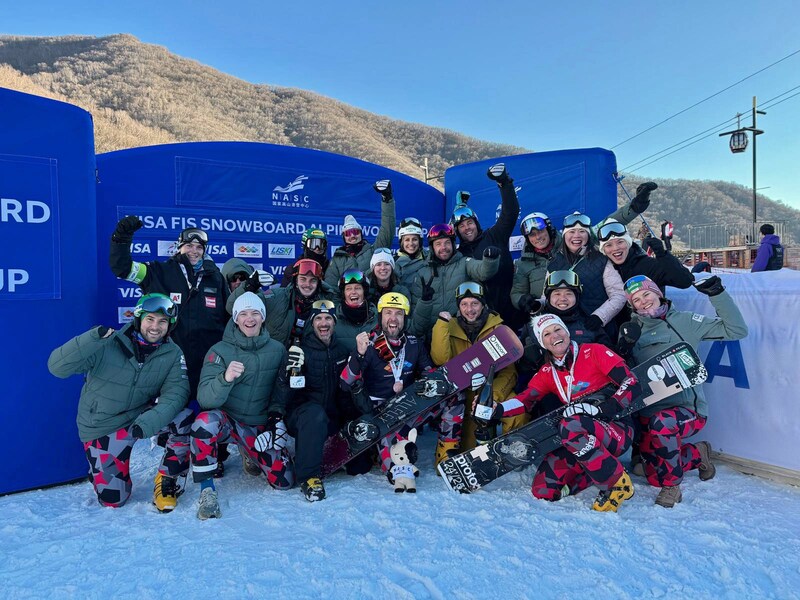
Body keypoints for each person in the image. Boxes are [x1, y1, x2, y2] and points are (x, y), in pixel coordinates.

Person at [47, 294, 193, 511]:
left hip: (137, 419)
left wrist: (148, 423)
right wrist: (92, 338)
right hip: (102, 427)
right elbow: (57, 367)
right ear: (138, 318)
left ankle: (167, 480)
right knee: (114, 499)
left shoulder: (172, 352)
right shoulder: (106, 343)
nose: (155, 327)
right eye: (150, 319)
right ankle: (99, 468)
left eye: (162, 322)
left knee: (184, 418)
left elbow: (176, 394)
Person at [484, 313, 640, 512]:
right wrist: (497, 410)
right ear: (543, 343)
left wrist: (609, 407)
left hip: (615, 429)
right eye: (547, 334)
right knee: (544, 490)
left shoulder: (594, 351)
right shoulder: (548, 372)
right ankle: (597, 469)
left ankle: (617, 484)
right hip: (580, 436)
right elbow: (525, 400)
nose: (554, 335)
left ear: (566, 332)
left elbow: (632, 382)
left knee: (570, 424)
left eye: (557, 329)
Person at [622, 274, 748, 507]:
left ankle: (672, 488)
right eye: (636, 300)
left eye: (646, 294)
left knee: (663, 425)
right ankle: (699, 454)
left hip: (688, 410)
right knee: (651, 475)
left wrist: (717, 294)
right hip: (649, 415)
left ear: (658, 294)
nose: (643, 301)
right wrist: (624, 351)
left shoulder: (686, 321)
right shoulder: (630, 330)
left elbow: (736, 330)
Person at [191, 292, 290, 520]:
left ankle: (249, 451)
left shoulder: (277, 350)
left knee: (285, 481)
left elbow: (281, 392)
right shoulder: (219, 351)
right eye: (243, 313)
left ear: (263, 317)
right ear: (235, 319)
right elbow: (205, 400)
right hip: (228, 421)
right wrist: (224, 379)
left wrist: (276, 422)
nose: (250, 318)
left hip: (257, 426)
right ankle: (207, 490)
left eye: (256, 313)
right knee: (204, 423)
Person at [109, 218, 229, 405]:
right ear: (179, 247)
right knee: (171, 418)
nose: (194, 251)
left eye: (199, 247)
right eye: (189, 245)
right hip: (170, 363)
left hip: (207, 364)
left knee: (204, 422)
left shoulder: (216, 278)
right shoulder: (159, 271)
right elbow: (122, 268)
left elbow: (228, 315)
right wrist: (122, 238)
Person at [340, 293, 455, 484]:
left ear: (405, 318)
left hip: (409, 406)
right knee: (400, 474)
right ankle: (385, 455)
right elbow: (345, 383)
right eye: (388, 313)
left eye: (399, 314)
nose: (393, 319)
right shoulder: (369, 343)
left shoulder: (413, 343)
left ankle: (446, 452)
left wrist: (433, 382)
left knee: (451, 394)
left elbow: (428, 372)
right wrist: (359, 354)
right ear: (380, 316)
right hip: (381, 415)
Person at [511, 182, 657, 316]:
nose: (538, 237)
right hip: (554, 318)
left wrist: (635, 207)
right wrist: (525, 301)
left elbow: (609, 223)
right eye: (532, 235)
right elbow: (519, 293)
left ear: (549, 230)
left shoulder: (572, 243)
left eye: (541, 232)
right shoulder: (525, 263)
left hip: (592, 316)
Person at [262, 299, 351, 502]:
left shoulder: (342, 351)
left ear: (335, 322)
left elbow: (346, 391)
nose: (323, 323)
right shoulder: (300, 350)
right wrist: (276, 411)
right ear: (312, 323)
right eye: (318, 318)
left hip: (330, 415)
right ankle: (309, 476)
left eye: (328, 318)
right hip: (303, 416)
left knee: (358, 466)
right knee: (314, 414)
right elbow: (282, 388)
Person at [430, 282, 519, 453]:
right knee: (470, 450)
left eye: (475, 304)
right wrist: (441, 325)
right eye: (464, 304)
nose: (469, 309)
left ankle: (515, 452)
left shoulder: (497, 329)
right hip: (464, 395)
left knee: (517, 413)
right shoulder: (448, 326)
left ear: (483, 305)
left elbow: (510, 371)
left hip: (493, 390)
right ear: (459, 307)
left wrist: (492, 396)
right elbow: (441, 360)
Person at [451, 163, 520, 325]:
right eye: (461, 226)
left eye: (469, 223)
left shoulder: (495, 235)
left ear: (476, 223)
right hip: (483, 319)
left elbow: (510, 212)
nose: (467, 228)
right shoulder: (459, 254)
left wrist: (504, 182)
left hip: (512, 311)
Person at [410, 223, 500, 337]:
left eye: (447, 243)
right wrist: (424, 301)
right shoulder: (422, 273)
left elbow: (482, 271)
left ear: (453, 244)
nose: (443, 247)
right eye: (438, 244)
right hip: (432, 336)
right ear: (432, 248)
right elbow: (417, 321)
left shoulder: (464, 263)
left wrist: (490, 260)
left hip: (461, 334)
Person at [227, 258, 337, 349]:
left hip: (310, 363)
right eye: (303, 279)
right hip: (275, 362)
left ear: (318, 283)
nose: (307, 284)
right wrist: (248, 287)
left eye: (312, 280)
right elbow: (231, 307)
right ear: (295, 281)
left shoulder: (328, 302)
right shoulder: (275, 297)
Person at [547, 212, 626, 336]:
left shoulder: (601, 259)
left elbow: (619, 294)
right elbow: (546, 295)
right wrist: (536, 303)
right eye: (572, 232)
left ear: (588, 235)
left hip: (596, 328)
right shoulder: (555, 261)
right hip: (563, 328)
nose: (577, 236)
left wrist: (600, 317)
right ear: (564, 235)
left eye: (582, 231)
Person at [324, 180, 396, 287]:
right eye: (348, 233)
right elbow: (330, 288)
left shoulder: (374, 251)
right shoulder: (336, 260)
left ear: (361, 234)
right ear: (344, 237)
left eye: (355, 232)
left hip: (373, 300)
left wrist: (387, 199)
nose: (352, 236)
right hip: (349, 301)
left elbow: (387, 229)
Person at [598, 219, 694, 295]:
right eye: (608, 245)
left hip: (645, 318)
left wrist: (663, 256)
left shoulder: (647, 266)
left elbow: (685, 281)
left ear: (628, 243)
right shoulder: (600, 268)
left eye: (620, 242)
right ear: (603, 250)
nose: (615, 248)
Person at [334, 269, 380, 353]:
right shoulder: (333, 321)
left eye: (358, 288)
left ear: (364, 292)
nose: (353, 292)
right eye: (348, 289)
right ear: (343, 293)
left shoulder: (377, 319)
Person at [394, 217, 428, 289]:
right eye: (407, 240)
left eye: (414, 239)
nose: (411, 243)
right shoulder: (393, 262)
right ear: (401, 242)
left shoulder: (429, 258)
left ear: (420, 241)